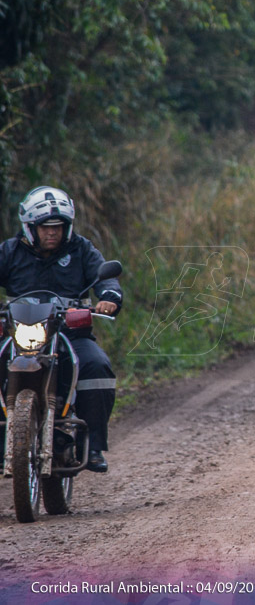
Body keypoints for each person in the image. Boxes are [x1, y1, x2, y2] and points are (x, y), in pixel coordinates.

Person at [0, 186, 122, 472]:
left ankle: (91, 448)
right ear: (31, 227)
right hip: (19, 335)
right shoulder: (10, 251)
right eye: (45, 227)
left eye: (58, 226)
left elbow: (105, 277)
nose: (51, 233)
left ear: (67, 227)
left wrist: (109, 297)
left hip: (69, 333)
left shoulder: (81, 249)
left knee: (96, 366)